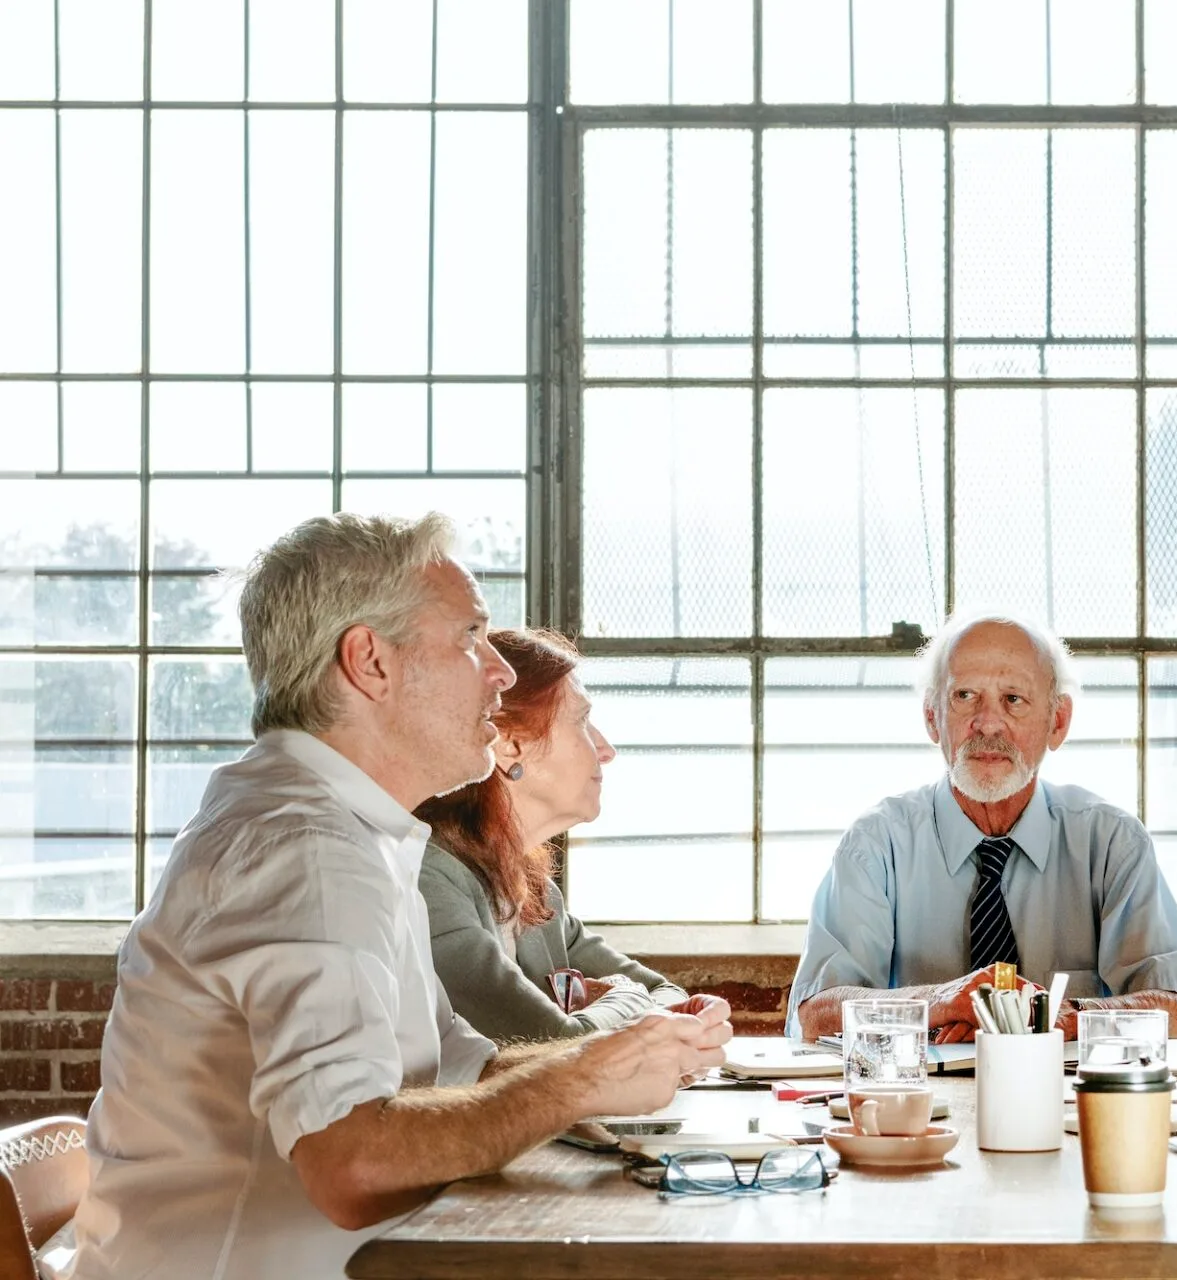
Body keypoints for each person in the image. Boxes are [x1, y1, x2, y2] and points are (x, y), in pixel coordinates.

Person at [70, 514, 731, 1280]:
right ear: (370, 663)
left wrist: (615, 1056)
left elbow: (459, 1072)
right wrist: (582, 1079)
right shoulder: (305, 850)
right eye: (469, 639)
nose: (501, 672)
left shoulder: (356, 831)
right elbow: (351, 1166)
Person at [787, 613, 1177, 1042]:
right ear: (932, 717)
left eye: (1013, 699)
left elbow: (1175, 1011)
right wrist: (943, 1001)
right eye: (965, 696)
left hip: (1067, 1103)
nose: (987, 723)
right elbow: (815, 1015)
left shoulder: (1112, 841)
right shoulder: (876, 844)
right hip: (916, 1102)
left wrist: (1051, 1016)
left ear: (1057, 721)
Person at [416, 628, 722, 1042]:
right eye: (581, 720)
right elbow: (552, 1042)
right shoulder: (429, 879)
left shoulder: (537, 894)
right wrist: (627, 996)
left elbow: (673, 997)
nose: (606, 749)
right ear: (510, 744)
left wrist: (616, 1004)